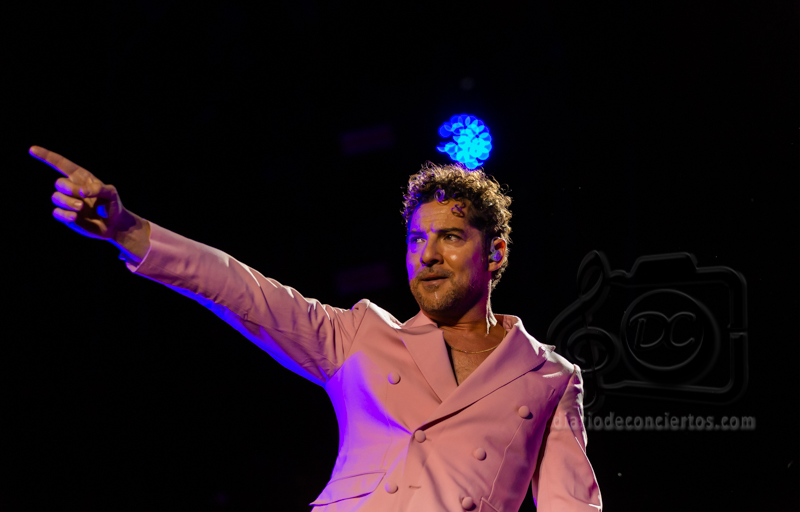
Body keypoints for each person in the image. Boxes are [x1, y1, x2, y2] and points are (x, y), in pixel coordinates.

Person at [30, 145, 603, 511]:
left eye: (449, 237)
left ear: (494, 253)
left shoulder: (549, 376)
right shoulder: (362, 336)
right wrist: (128, 230)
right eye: (415, 239)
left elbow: (571, 505)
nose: (427, 255)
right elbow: (242, 289)